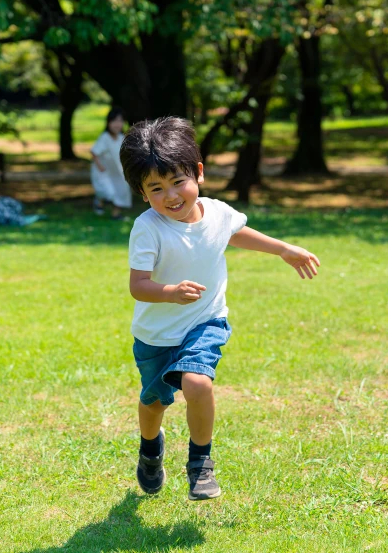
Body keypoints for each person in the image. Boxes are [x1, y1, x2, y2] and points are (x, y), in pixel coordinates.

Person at [120, 117, 321, 501]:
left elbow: (233, 232)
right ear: (143, 194)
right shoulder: (148, 228)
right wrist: (170, 292)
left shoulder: (216, 211)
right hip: (156, 336)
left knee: (197, 382)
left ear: (198, 173)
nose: (172, 195)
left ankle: (200, 464)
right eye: (156, 188)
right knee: (153, 402)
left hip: (205, 321)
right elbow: (138, 286)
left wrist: (283, 248)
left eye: (178, 181)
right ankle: (150, 450)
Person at [91, 107, 132, 219]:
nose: (117, 124)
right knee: (108, 192)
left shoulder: (121, 138)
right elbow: (94, 152)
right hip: (104, 171)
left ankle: (116, 214)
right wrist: (100, 166)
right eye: (114, 121)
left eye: (120, 121)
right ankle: (99, 201)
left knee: (121, 190)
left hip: (118, 171)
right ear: (109, 123)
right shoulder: (105, 137)